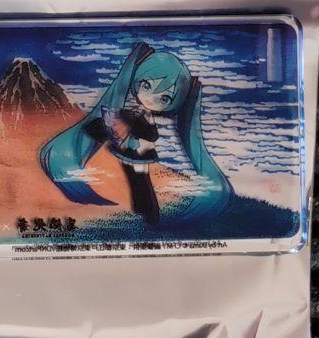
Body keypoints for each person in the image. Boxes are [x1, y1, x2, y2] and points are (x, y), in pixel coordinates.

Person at [39, 42, 231, 227]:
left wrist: (129, 129)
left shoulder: (145, 117)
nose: (150, 98)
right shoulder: (135, 113)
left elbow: (151, 135)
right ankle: (143, 214)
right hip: (130, 151)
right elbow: (124, 126)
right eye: (146, 86)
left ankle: (149, 216)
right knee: (135, 181)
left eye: (164, 98)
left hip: (139, 155)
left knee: (140, 183)